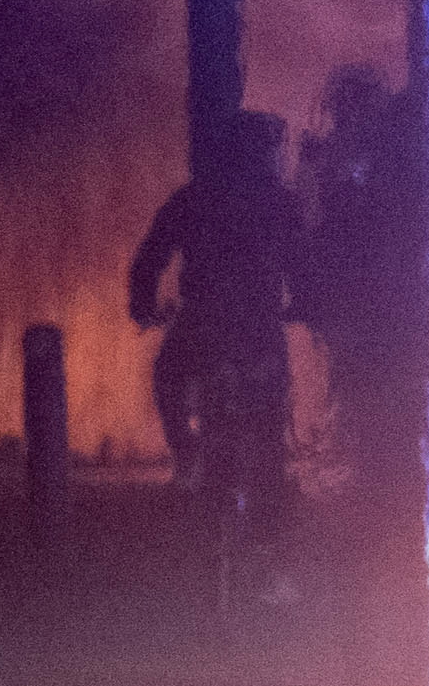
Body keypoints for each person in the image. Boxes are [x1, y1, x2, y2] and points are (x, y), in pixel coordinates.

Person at [299, 61, 429, 500]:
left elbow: (333, 237)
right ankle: (391, 478)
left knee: (392, 399)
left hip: (390, 312)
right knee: (381, 398)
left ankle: (396, 479)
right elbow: (330, 237)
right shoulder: (368, 175)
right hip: (382, 312)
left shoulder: (385, 176)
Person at [125, 105, 302, 527]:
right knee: (267, 407)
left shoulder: (194, 198)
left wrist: (144, 306)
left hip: (204, 319)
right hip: (257, 322)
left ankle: (188, 456)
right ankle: (265, 502)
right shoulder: (279, 203)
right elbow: (303, 266)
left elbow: (150, 258)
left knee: (169, 378)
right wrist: (306, 305)